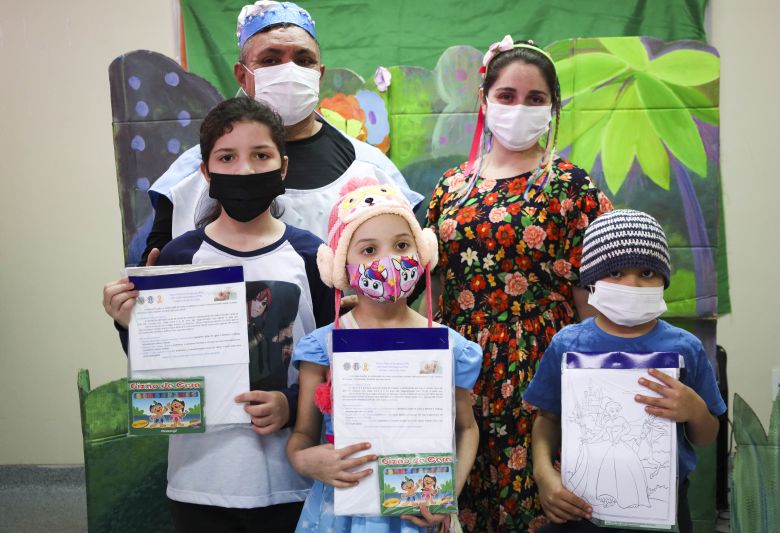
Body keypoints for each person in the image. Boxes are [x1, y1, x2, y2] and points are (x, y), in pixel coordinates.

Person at [104, 97, 334, 532]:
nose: (245, 170)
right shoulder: (181, 254)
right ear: (207, 173)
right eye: (227, 157)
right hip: (199, 478)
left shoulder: (312, 257)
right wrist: (126, 320)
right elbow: (156, 367)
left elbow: (328, 362)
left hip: (291, 481)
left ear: (282, 168)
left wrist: (289, 403)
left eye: (260, 156)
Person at [425, 35, 612, 531]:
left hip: (539, 368)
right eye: (507, 96)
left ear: (553, 108)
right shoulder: (450, 186)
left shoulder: (572, 186)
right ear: (483, 100)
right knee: (457, 501)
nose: (519, 108)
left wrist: (588, 385)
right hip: (458, 367)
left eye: (535, 99)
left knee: (533, 502)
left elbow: (589, 296)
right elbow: (434, 286)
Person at [141, 0, 421, 265]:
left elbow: (414, 268)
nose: (289, 71)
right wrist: (130, 309)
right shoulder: (190, 178)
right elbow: (155, 275)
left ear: (319, 74)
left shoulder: (370, 170)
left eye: (303, 60)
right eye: (271, 60)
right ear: (242, 75)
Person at [286, 178, 482, 532]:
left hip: (419, 515)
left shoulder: (448, 346)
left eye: (402, 245)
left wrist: (449, 490)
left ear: (423, 252)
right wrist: (303, 459)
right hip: (338, 515)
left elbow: (467, 428)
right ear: (340, 265)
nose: (389, 261)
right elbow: (302, 435)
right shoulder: (323, 347)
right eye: (369, 250)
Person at [524, 209, 726, 533]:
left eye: (646, 272)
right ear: (591, 279)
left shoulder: (685, 347)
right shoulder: (568, 344)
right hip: (580, 510)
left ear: (664, 279)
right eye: (615, 273)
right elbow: (547, 419)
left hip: (664, 510)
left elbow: (706, 437)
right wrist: (543, 474)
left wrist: (695, 409)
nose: (631, 284)